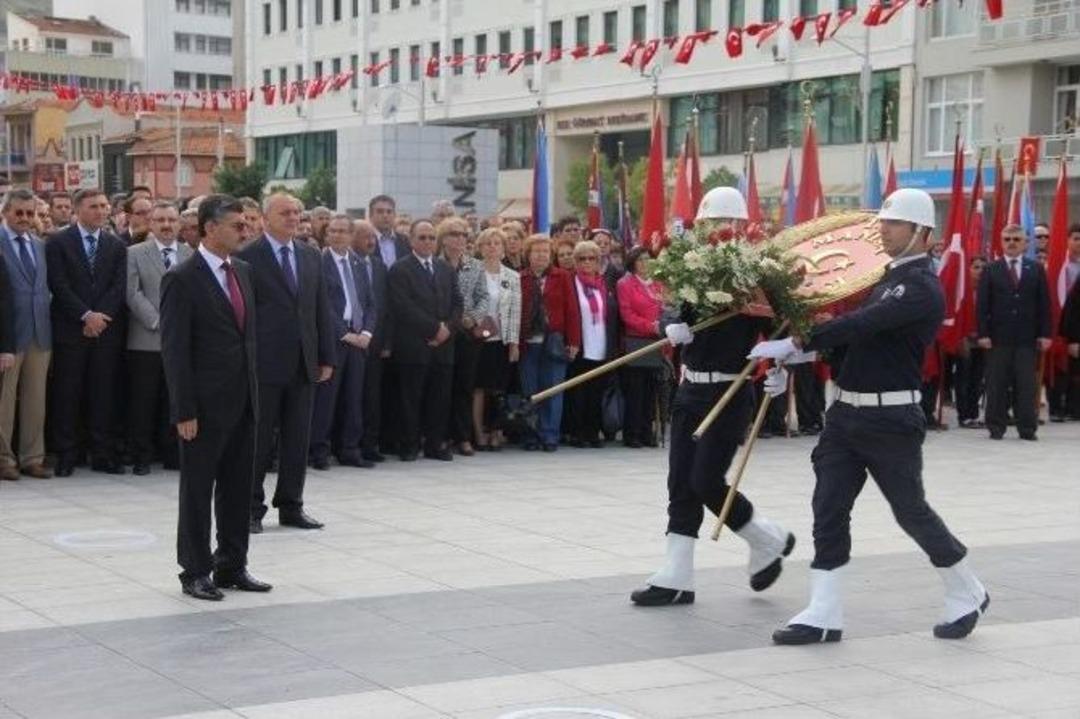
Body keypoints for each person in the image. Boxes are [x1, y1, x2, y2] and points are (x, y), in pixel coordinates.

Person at [752, 188, 988, 645]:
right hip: (846, 415)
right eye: (883, 222)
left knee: (910, 510)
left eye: (894, 224)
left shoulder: (919, 286)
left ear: (922, 232)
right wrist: (796, 359)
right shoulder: (887, 280)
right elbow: (858, 344)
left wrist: (799, 342)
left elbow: (863, 325)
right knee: (828, 506)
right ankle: (824, 610)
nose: (883, 230)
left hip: (890, 418)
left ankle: (967, 588)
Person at [631, 187, 793, 608]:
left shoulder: (756, 273)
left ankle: (766, 537)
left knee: (705, 481)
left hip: (730, 389)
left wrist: (780, 369)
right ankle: (677, 575)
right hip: (690, 388)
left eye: (725, 223)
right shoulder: (691, 265)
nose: (717, 230)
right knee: (680, 483)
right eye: (709, 223)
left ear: (740, 225)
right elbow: (672, 307)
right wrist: (670, 325)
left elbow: (782, 329)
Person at [160, 194, 270, 601]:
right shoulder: (182, 278)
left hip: (244, 401)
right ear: (210, 228)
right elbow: (175, 351)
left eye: (247, 224)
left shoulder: (243, 271)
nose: (246, 231)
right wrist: (184, 409)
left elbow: (247, 339)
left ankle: (232, 565)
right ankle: (195, 570)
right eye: (237, 225)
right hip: (203, 408)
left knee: (238, 488)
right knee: (197, 490)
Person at [237, 193, 336, 533]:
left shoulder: (310, 255)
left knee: (297, 439)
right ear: (265, 218)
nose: (293, 217)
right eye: (285, 212)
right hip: (264, 364)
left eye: (296, 212)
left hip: (302, 362)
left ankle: (291, 505)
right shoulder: (247, 256)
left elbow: (320, 308)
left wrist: (326, 355)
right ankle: (250, 509)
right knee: (259, 440)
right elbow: (243, 314)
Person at [46, 188, 128, 477]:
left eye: (104, 206)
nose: (101, 211)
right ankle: (67, 454)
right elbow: (58, 284)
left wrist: (100, 316)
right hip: (71, 330)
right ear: (77, 209)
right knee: (68, 393)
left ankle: (102, 453)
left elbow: (119, 286)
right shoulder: (58, 242)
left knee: (103, 393)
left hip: (105, 331)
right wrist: (85, 315)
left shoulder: (115, 245)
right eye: (94, 206)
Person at [386, 219, 463, 461]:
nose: (428, 242)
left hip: (444, 346)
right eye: (422, 237)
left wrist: (447, 329)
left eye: (431, 238)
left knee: (439, 398)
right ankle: (409, 444)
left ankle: (435, 444)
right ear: (411, 240)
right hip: (414, 345)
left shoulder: (445, 269)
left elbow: (458, 303)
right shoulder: (400, 269)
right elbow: (403, 307)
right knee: (410, 398)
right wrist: (433, 329)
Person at [125, 201, 192, 475]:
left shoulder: (191, 254)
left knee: (173, 399)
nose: (166, 225)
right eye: (160, 220)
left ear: (179, 224)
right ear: (151, 224)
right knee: (143, 401)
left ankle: (172, 454)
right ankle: (141, 456)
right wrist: (159, 321)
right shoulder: (134, 253)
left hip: (181, 343)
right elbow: (132, 293)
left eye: (171, 220)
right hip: (145, 340)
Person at [309, 215, 375, 469]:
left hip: (359, 339)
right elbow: (321, 304)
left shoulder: (358, 263)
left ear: (351, 235)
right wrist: (344, 334)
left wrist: (366, 333)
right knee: (326, 400)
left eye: (342, 231)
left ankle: (349, 449)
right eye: (332, 231)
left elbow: (370, 303)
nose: (337, 235)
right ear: (326, 235)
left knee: (353, 397)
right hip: (333, 339)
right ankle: (319, 451)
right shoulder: (318, 262)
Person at [977, 224, 1052, 441]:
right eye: (1007, 239)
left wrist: (1045, 334)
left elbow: (1044, 304)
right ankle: (996, 427)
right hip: (998, 338)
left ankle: (1027, 428)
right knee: (997, 384)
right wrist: (983, 334)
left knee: (1026, 385)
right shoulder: (991, 269)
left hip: (1027, 339)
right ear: (1001, 242)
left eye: (1016, 239)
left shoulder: (1035, 268)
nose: (1011, 243)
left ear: (1025, 243)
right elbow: (982, 305)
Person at [0, 190, 53, 480]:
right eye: (18, 212)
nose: (24, 218)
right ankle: (3, 459)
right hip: (8, 334)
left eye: (29, 213)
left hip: (39, 332)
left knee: (36, 399)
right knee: (4, 401)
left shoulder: (39, 244)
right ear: (5, 213)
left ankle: (32, 457)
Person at [518, 234, 580, 452]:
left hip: (554, 341)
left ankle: (550, 435)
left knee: (553, 390)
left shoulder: (562, 276)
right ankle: (531, 435)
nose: (541, 255)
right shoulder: (520, 278)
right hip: (528, 343)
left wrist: (573, 341)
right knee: (530, 390)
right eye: (537, 251)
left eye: (545, 251)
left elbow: (572, 310)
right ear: (528, 255)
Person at [439, 217, 488, 455]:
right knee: (442, 386)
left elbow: (483, 297)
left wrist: (475, 317)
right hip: (443, 331)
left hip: (467, 333)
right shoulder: (436, 264)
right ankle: (441, 435)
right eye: (454, 234)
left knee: (464, 386)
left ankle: (463, 436)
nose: (459, 239)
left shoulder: (475, 265)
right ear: (443, 238)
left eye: (463, 235)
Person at [565, 240, 619, 448]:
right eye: (582, 259)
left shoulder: (604, 285)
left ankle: (593, 432)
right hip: (580, 345)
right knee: (578, 391)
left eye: (591, 258)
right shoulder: (571, 282)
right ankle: (577, 433)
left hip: (601, 344)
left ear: (598, 261)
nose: (587, 262)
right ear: (575, 261)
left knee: (597, 391)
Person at [472, 227, 521, 451]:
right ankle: (478, 433)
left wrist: (513, 343)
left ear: (503, 248)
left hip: (501, 340)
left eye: (497, 243)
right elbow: (466, 305)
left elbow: (515, 312)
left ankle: (495, 432)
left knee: (498, 389)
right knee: (478, 388)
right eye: (488, 243)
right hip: (478, 340)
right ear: (480, 248)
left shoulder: (512, 276)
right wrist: (477, 325)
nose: (492, 247)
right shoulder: (471, 273)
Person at [352, 219, 394, 463]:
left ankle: (369, 444)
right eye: (365, 236)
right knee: (352, 396)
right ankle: (348, 444)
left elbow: (385, 306)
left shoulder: (379, 266)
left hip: (376, 342)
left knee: (372, 396)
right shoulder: (347, 263)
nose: (370, 242)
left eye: (373, 238)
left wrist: (386, 342)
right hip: (351, 340)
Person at [616, 246, 664, 448]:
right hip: (636, 341)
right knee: (635, 390)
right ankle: (632, 433)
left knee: (651, 390)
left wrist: (663, 324)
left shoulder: (657, 284)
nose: (645, 263)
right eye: (641, 260)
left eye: (648, 259)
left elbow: (664, 308)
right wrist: (650, 326)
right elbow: (627, 315)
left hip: (656, 342)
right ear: (633, 263)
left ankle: (647, 431)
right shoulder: (625, 284)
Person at [1048, 224, 1080, 422]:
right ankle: (1056, 407)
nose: (1079, 243)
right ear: (1067, 240)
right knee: (1058, 368)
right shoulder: (1059, 264)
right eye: (1076, 238)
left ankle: (1074, 407)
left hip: (1077, 322)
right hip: (1059, 322)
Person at [956, 256, 988, 428]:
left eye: (983, 267)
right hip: (965, 340)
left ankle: (973, 414)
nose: (980, 271)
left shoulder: (989, 291)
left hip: (982, 341)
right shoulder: (962, 291)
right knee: (964, 378)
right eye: (976, 267)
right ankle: (964, 416)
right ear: (968, 269)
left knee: (977, 379)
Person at [370, 194, 411, 268]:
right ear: (371, 216)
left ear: (395, 215)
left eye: (389, 212)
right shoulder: (365, 241)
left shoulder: (405, 241)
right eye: (380, 212)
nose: (385, 215)